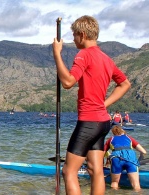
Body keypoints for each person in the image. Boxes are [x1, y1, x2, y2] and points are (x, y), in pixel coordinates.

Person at [52, 15, 131, 195]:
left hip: (88, 121)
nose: (73, 39)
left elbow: (68, 82)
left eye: (74, 35)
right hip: (103, 122)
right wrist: (105, 104)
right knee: (96, 171)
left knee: (68, 171)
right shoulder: (106, 59)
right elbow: (125, 84)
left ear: (82, 34)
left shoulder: (84, 55)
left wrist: (57, 53)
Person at [104, 125, 146, 191]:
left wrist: (106, 160)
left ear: (113, 133)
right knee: (136, 185)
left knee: (114, 183)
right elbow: (143, 151)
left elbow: (102, 153)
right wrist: (140, 157)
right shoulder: (129, 138)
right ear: (122, 131)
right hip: (131, 160)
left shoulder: (110, 139)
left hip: (116, 160)